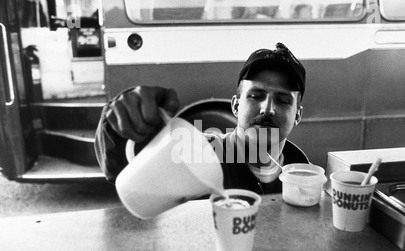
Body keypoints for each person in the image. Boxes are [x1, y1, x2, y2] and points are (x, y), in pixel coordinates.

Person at [94, 42, 308, 194]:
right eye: (255, 96)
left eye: (282, 100)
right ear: (235, 105)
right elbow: (125, 169)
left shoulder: (301, 172)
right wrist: (118, 126)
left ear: (297, 114)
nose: (267, 109)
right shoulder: (201, 153)